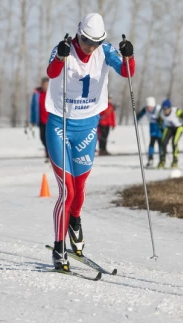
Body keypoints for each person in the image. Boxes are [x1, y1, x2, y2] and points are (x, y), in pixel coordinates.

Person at [45, 13, 135, 271]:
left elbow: (127, 72)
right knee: (67, 191)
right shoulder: (63, 48)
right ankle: (59, 247)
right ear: (78, 34)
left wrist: (129, 55)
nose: (90, 47)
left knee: (80, 189)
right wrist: (62, 57)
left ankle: (75, 221)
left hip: (87, 127)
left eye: (95, 42)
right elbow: (52, 72)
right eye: (86, 41)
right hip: (60, 126)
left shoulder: (104, 50)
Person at [157, 99, 183, 169]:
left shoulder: (177, 111)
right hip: (169, 128)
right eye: (164, 109)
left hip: (178, 127)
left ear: (170, 108)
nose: (165, 111)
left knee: (174, 142)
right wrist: (161, 128)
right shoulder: (161, 112)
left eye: (167, 109)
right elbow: (159, 121)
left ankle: (175, 161)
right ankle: (162, 161)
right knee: (163, 142)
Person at [136, 96, 162, 167]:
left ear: (153, 106)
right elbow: (139, 115)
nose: (149, 109)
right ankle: (150, 159)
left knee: (160, 144)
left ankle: (161, 159)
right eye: (148, 107)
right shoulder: (145, 109)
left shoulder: (159, 109)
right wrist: (137, 120)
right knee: (151, 143)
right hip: (152, 128)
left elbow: (164, 118)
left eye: (150, 107)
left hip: (160, 128)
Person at [30, 77, 50, 162]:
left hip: (51, 120)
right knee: (42, 138)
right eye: (44, 84)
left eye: (47, 85)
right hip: (41, 120)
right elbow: (33, 108)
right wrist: (32, 120)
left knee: (50, 138)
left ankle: (49, 155)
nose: (45, 86)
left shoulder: (52, 93)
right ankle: (48, 151)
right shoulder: (37, 94)